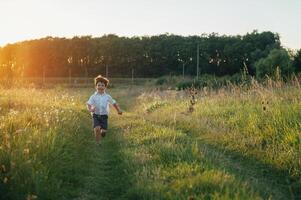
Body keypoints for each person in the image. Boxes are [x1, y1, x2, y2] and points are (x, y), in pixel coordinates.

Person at [86, 75, 122, 145]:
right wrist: (91, 109)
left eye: (102, 85)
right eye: (99, 85)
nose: (100, 87)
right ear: (96, 86)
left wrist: (118, 110)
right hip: (95, 115)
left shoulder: (107, 97)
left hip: (104, 116)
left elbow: (114, 103)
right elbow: (88, 104)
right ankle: (98, 142)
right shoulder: (93, 96)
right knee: (97, 128)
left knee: (104, 131)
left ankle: (103, 132)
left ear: (105, 87)